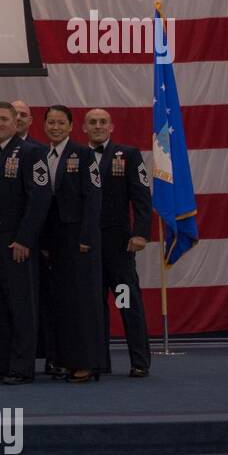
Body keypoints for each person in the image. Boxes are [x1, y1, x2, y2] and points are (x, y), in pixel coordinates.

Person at [0, 102, 52, 385]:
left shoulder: (33, 152)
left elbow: (40, 199)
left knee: (21, 305)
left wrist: (24, 239)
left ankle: (21, 366)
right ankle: (1, 360)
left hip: (17, 241)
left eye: (3, 118)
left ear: (16, 122)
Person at [84, 108, 152, 378]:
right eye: (92, 122)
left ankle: (139, 361)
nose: (98, 126)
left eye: (103, 122)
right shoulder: (77, 155)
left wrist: (140, 233)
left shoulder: (129, 155)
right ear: (84, 128)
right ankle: (99, 361)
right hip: (87, 246)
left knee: (126, 301)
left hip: (119, 246)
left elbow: (142, 198)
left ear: (111, 127)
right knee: (93, 305)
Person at [39, 105, 104, 383]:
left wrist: (87, 238)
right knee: (62, 302)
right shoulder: (42, 155)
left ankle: (87, 363)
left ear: (70, 126)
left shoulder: (84, 153)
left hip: (78, 239)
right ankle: (65, 360)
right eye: (50, 123)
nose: (55, 127)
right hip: (54, 241)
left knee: (82, 303)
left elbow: (93, 197)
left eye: (60, 123)